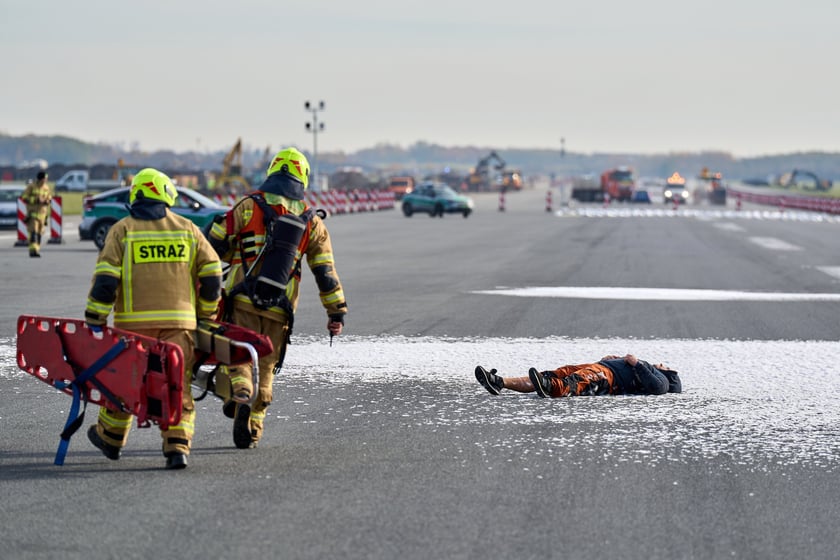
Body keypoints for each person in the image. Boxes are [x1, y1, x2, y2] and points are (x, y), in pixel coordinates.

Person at [207, 147, 347, 450]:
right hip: (280, 309)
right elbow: (325, 273)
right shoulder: (312, 221)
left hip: (241, 299)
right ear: (303, 178)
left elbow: (214, 242)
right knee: (267, 366)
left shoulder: (248, 206)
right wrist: (336, 313)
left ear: (272, 172)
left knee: (239, 354)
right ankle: (254, 426)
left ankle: (241, 390)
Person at [84, 168, 223, 470]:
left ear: (136, 196)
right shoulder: (187, 228)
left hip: (132, 329)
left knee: (123, 383)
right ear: (166, 195)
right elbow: (212, 273)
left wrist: (95, 317)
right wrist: (207, 313)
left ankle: (111, 438)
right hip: (179, 328)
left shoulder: (121, 230)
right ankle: (177, 447)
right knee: (177, 385)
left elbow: (105, 282)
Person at [475, 354, 681, 398]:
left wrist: (637, 364)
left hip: (609, 377)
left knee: (575, 381)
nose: (661, 362)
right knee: (556, 373)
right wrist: (612, 358)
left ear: (667, 371)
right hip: (601, 367)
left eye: (665, 364)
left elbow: (658, 388)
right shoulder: (648, 369)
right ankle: (500, 382)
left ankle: (550, 387)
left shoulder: (661, 377)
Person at [21, 171, 52, 257]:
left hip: (42, 215)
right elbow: (24, 197)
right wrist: (35, 200)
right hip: (32, 214)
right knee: (33, 233)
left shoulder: (46, 188)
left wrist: (46, 201)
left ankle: (35, 250)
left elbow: (49, 198)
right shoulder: (31, 186)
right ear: (40, 179)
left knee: (39, 234)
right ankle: (33, 250)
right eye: (44, 179)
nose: (45, 180)